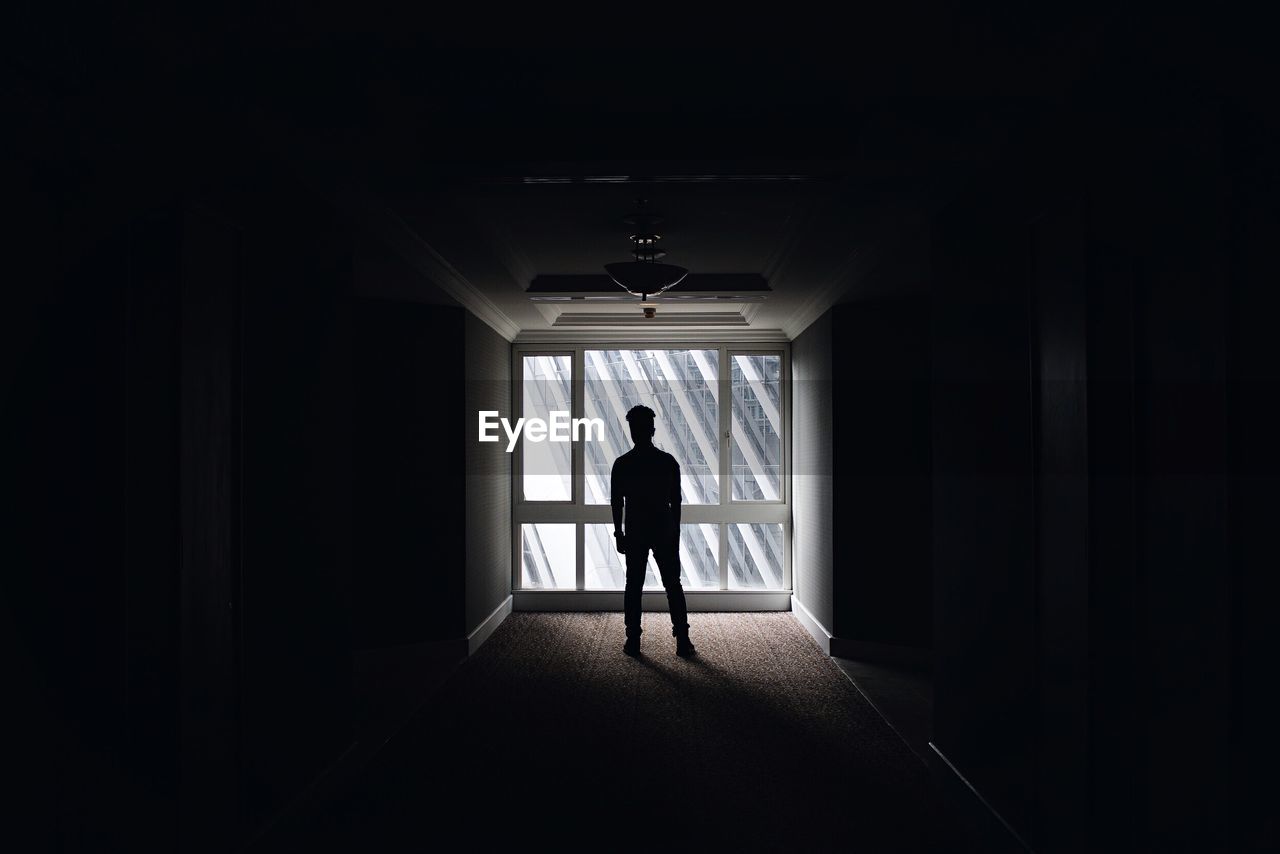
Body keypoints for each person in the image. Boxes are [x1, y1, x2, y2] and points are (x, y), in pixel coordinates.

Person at [610, 404, 696, 658]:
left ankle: (633, 640)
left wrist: (618, 533)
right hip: (664, 528)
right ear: (653, 430)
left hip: (636, 529)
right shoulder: (668, 462)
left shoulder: (623, 464)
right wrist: (676, 531)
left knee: (633, 585)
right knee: (673, 585)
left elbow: (617, 502)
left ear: (632, 432)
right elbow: (676, 501)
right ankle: (682, 639)